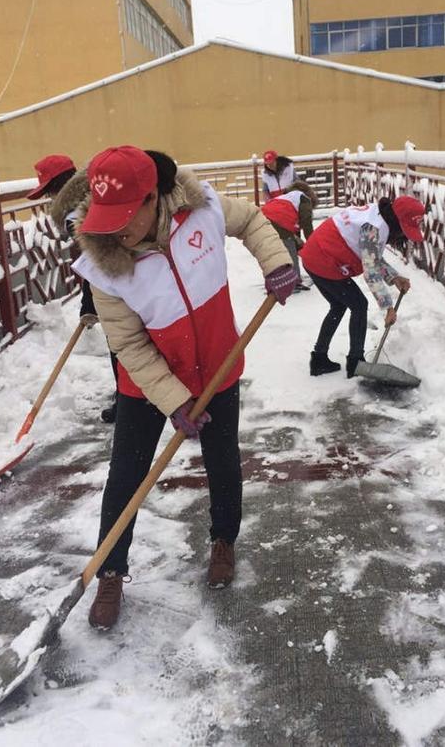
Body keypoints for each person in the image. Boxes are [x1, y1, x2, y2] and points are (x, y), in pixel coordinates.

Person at [72, 145, 298, 630]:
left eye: (126, 215)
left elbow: (253, 220)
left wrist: (275, 262)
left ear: (155, 197)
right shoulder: (104, 266)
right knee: (126, 477)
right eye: (106, 217)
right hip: (147, 386)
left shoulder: (203, 209)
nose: (116, 230)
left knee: (222, 460)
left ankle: (223, 541)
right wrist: (174, 400)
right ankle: (110, 569)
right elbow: (128, 345)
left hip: (218, 365)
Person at [29, 154, 119, 423]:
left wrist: (91, 302)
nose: (49, 199)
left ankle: (129, 400)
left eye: (48, 192)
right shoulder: (99, 194)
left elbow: (96, 261)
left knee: (122, 343)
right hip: (137, 276)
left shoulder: (73, 216)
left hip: (117, 287)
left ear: (58, 187)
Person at [299, 196, 425, 379]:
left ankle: (319, 358)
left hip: (316, 254)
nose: (402, 235)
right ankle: (355, 362)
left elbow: (370, 255)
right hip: (324, 259)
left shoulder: (377, 217)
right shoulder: (373, 227)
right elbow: (371, 271)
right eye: (404, 230)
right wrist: (388, 308)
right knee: (359, 305)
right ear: (397, 221)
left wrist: (394, 277)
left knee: (339, 306)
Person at [261, 180, 318, 291]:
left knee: (274, 254)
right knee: (290, 251)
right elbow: (306, 223)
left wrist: (300, 244)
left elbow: (295, 230)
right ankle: (293, 282)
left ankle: (273, 281)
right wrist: (312, 244)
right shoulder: (304, 199)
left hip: (262, 221)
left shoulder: (285, 197)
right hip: (278, 222)